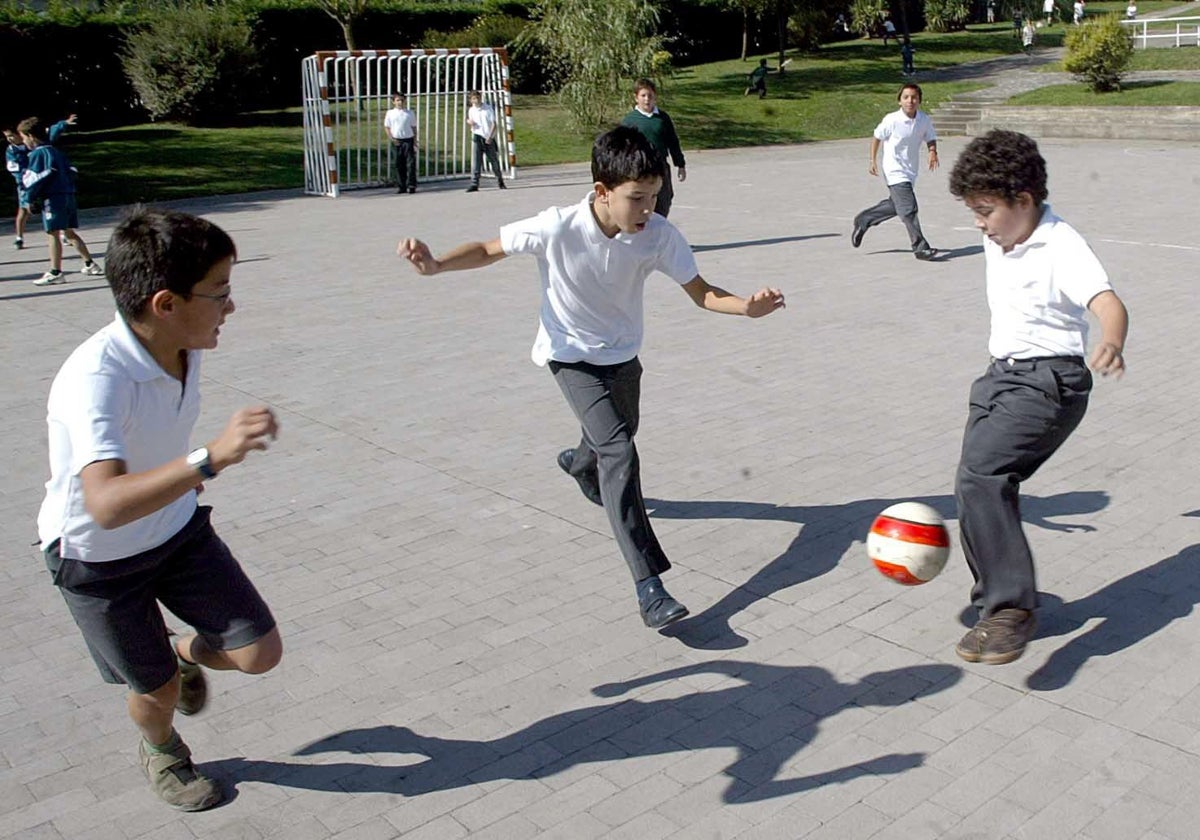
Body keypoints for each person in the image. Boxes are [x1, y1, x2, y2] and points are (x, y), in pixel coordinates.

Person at [396, 125, 785, 630]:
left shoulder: (658, 236)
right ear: (602, 192)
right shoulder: (557, 227)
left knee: (612, 442)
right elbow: (490, 249)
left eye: (655, 197)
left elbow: (702, 291)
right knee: (620, 450)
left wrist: (745, 309)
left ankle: (581, 464)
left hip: (623, 357)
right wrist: (437, 265)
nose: (649, 210)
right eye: (638, 199)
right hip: (570, 356)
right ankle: (650, 585)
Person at [37, 207, 284, 809]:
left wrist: (178, 479)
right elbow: (105, 505)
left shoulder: (183, 344)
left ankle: (178, 650)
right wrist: (209, 459)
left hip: (174, 533)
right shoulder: (94, 379)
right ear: (165, 303)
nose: (231, 307)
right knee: (157, 695)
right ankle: (164, 750)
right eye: (219, 293)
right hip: (99, 562)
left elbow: (148, 443)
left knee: (259, 653)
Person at [947, 130, 1128, 665]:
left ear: (1023, 201)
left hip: (1050, 384)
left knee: (983, 475)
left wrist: (1111, 342)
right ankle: (1001, 597)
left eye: (985, 211)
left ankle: (1011, 609)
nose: (978, 224)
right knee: (973, 483)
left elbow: (1109, 302)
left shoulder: (1062, 244)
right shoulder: (1002, 231)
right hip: (999, 378)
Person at [851, 83, 940, 260]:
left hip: (910, 171)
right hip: (894, 169)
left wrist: (932, 152)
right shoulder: (892, 120)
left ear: (919, 100)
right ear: (899, 100)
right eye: (906, 97)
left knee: (897, 205)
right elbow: (877, 137)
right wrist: (872, 160)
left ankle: (864, 219)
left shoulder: (923, 119)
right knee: (909, 208)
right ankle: (920, 247)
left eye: (914, 97)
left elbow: (930, 137)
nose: (910, 101)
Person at [18, 116, 102, 285]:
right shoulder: (56, 151)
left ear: (31, 137)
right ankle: (90, 264)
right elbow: (72, 171)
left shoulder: (38, 154)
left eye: (24, 138)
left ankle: (56, 271)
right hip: (67, 195)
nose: (24, 142)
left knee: (53, 233)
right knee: (69, 232)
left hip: (53, 197)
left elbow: (35, 179)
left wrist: (28, 198)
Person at [5, 114, 74, 250]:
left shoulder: (38, 148)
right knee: (24, 210)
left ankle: (65, 234)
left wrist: (63, 123)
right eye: (7, 137)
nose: (10, 139)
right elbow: (16, 170)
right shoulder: (12, 152)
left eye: (12, 136)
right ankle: (19, 237)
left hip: (43, 184)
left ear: (24, 135)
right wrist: (26, 182)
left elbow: (50, 132)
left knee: (56, 213)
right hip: (28, 184)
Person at [621, 78, 687, 218]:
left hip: (660, 165)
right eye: (643, 96)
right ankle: (643, 229)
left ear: (655, 96)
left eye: (650, 96)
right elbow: (624, 147)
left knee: (664, 198)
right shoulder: (630, 120)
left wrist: (680, 164)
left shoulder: (662, 118)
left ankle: (659, 228)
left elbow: (673, 142)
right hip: (640, 167)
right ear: (636, 97)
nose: (647, 99)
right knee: (643, 199)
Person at [465, 90, 506, 192]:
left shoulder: (487, 108)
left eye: (478, 97)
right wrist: (469, 122)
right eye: (474, 98)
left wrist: (490, 136)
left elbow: (493, 123)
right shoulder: (471, 110)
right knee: (476, 161)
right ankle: (474, 183)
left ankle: (499, 180)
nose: (476, 100)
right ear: (471, 100)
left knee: (493, 160)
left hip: (487, 136)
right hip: (477, 136)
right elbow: (470, 120)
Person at [383, 92, 418, 194]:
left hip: (408, 139)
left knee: (410, 164)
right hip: (397, 140)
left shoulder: (409, 113)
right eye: (398, 100)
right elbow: (387, 127)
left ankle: (411, 185)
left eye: (402, 100)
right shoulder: (390, 113)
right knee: (399, 164)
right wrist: (392, 138)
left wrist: (415, 141)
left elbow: (413, 127)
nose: (400, 102)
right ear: (393, 102)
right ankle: (401, 185)